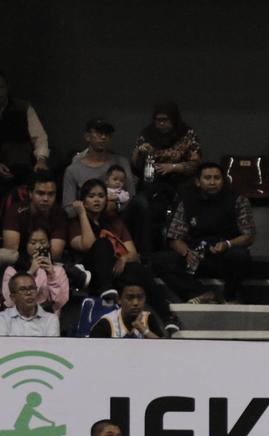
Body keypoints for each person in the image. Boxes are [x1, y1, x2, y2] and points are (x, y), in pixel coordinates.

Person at [152, 162, 255, 304]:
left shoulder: (238, 200)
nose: (212, 182)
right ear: (198, 182)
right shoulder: (187, 202)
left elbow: (248, 235)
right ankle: (200, 293)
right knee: (159, 260)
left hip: (224, 256)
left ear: (223, 180)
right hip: (197, 257)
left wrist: (227, 244)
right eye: (207, 178)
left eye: (217, 178)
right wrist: (187, 253)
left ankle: (230, 296)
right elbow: (175, 237)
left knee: (240, 256)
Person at [127, 102, 203, 253]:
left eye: (165, 120)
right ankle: (147, 254)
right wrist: (138, 152)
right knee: (142, 206)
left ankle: (181, 251)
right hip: (153, 183)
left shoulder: (186, 134)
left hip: (180, 182)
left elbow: (196, 163)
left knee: (184, 204)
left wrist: (173, 167)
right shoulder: (147, 134)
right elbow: (135, 167)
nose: (161, 124)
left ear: (174, 119)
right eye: (158, 120)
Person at [69, 179, 139, 299]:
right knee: (103, 242)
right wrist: (82, 214)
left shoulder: (113, 222)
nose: (97, 200)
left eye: (101, 196)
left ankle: (165, 313)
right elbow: (88, 244)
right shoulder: (75, 223)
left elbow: (134, 254)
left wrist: (124, 258)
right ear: (83, 201)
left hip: (114, 270)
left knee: (136, 268)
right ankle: (106, 288)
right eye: (91, 196)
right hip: (89, 274)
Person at [62, 119, 135, 218]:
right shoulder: (73, 169)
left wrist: (116, 206)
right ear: (87, 136)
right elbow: (68, 208)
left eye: (107, 134)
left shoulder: (121, 162)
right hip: (85, 222)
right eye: (98, 133)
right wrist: (96, 207)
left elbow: (131, 196)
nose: (103, 137)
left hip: (114, 219)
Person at [0, 70, 50, 201]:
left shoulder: (22, 107)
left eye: (1, 87)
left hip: (21, 168)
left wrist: (41, 160)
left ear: (7, 88)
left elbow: (39, 137)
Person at [2, 169, 69, 264]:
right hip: (18, 262)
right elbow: (10, 252)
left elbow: (55, 255)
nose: (46, 199)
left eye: (51, 194)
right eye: (40, 193)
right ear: (30, 193)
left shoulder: (59, 214)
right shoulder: (15, 211)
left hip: (48, 263)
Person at [2, 226, 68, 313]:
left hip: (48, 321)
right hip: (19, 321)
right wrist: (30, 273)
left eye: (42, 242)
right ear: (25, 244)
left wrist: (51, 276)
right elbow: (10, 303)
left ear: (48, 244)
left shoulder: (58, 271)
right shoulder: (11, 271)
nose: (38, 246)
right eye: (33, 243)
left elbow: (60, 303)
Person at [89, 277, 165, 339]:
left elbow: (163, 349)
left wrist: (142, 329)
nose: (136, 303)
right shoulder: (107, 322)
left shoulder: (148, 318)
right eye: (130, 297)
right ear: (119, 299)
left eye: (140, 297)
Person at [0, 271, 58, 336]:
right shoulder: (3, 318)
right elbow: (3, 345)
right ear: (13, 297)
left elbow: (52, 346)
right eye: (22, 289)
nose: (29, 293)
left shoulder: (50, 319)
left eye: (32, 288)